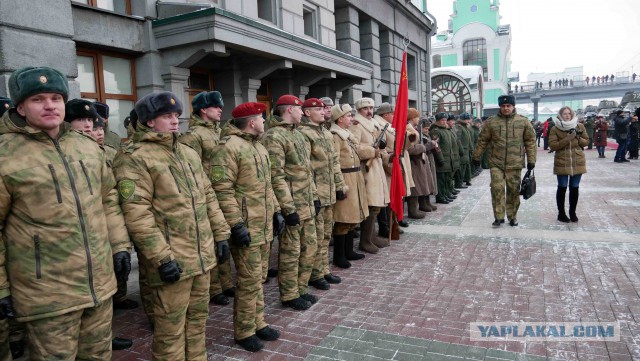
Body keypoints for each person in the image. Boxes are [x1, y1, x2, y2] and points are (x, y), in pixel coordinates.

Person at [0, 66, 131, 360]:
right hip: (47, 294)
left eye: (56, 98)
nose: (50, 105)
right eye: (38, 99)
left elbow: (108, 200)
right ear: (20, 106)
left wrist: (120, 245)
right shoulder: (5, 154)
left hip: (99, 286)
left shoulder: (85, 147)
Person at [113, 91, 231, 359]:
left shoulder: (187, 153)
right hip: (171, 259)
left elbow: (208, 195)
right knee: (170, 329)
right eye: (167, 116)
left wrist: (221, 234)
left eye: (177, 115)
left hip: (201, 255)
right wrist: (161, 257)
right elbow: (136, 213)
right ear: (150, 121)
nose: (175, 121)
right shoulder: (135, 157)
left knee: (198, 320)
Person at [209, 102, 281, 352]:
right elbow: (221, 190)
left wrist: (276, 211)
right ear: (252, 122)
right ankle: (244, 330)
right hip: (247, 227)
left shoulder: (257, 146)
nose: (264, 122)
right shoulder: (229, 148)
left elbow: (266, 185)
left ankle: (258, 322)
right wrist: (236, 224)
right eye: (261, 118)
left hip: (263, 224)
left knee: (258, 278)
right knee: (249, 281)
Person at [178, 91, 235, 306]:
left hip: (222, 192)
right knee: (211, 243)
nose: (221, 109)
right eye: (215, 106)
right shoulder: (193, 136)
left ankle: (226, 282)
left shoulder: (217, 132)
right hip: (206, 194)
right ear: (203, 109)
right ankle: (214, 288)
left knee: (223, 239)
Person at [262, 94, 319, 311]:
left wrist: (314, 197)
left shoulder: (299, 135)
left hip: (306, 202)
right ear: (288, 110)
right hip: (293, 205)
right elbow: (275, 176)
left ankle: (301, 288)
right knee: (291, 252)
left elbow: (307, 170)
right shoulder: (274, 137)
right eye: (299, 108)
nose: (302, 111)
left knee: (309, 247)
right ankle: (289, 293)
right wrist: (287, 208)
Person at [299, 98, 346, 290]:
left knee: (326, 235)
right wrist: (314, 193)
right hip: (315, 193)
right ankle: (314, 274)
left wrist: (340, 185)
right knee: (315, 238)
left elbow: (334, 162)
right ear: (307, 112)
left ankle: (323, 269)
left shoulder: (326, 133)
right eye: (318, 109)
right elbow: (305, 168)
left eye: (323, 108)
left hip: (329, 193)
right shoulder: (304, 134)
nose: (323, 111)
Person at [472, 95, 536, 227]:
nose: (506, 108)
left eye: (508, 106)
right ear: (500, 107)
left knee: (513, 190)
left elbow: (530, 141)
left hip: (515, 162)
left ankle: (512, 216)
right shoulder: (491, 122)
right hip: (496, 162)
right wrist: (476, 156)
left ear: (513, 106)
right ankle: (499, 216)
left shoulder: (523, 122)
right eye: (503, 106)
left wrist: (531, 160)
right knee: (497, 188)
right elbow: (483, 140)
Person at [329, 104, 368, 268]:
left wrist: (372, 151)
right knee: (343, 219)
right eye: (349, 116)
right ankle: (339, 255)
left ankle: (349, 251)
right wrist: (340, 185)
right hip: (345, 178)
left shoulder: (347, 134)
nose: (352, 118)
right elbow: (334, 161)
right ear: (340, 119)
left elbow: (357, 151)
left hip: (355, 176)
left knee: (353, 217)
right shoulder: (335, 135)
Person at [349, 98, 389, 254]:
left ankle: (371, 236)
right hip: (365, 168)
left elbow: (379, 146)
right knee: (371, 205)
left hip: (375, 167)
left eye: (371, 107)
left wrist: (385, 156)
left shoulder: (374, 124)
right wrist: (372, 151)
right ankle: (365, 241)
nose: (369, 111)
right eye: (365, 108)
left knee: (376, 205)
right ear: (359, 110)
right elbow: (354, 147)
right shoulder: (356, 125)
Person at [549, 106, 589, 223]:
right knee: (562, 187)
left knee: (574, 187)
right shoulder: (555, 129)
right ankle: (561, 213)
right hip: (562, 161)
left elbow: (586, 141)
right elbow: (553, 146)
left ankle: (572, 212)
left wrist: (577, 137)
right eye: (565, 114)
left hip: (578, 160)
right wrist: (568, 138)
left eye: (569, 114)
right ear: (560, 115)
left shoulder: (579, 126)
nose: (567, 116)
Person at [430, 113, 455, 204]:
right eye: (442, 120)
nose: (444, 122)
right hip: (441, 158)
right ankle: (440, 197)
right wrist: (440, 158)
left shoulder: (445, 130)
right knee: (441, 179)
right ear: (438, 121)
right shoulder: (436, 131)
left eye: (445, 120)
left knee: (446, 178)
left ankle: (445, 194)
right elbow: (436, 146)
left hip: (448, 158)